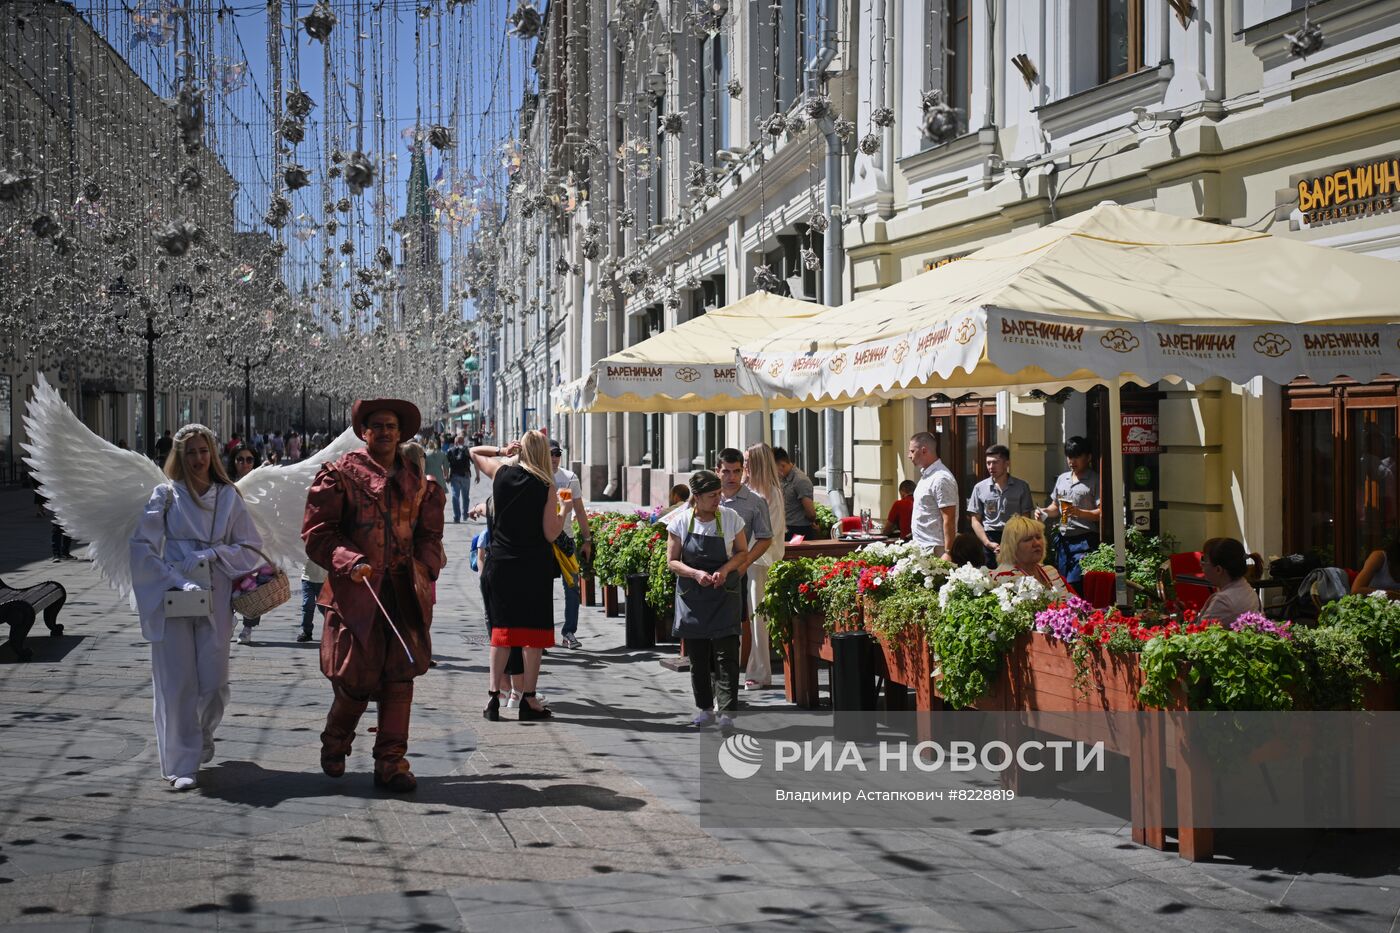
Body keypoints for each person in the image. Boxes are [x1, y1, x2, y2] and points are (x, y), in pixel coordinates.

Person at [302, 398, 446, 792]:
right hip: (358, 594)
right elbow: (319, 534)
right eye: (376, 425)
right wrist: (349, 561)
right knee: (355, 679)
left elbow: (430, 536)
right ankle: (336, 740)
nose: (384, 432)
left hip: (403, 595)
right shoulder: (339, 474)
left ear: (401, 434)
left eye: (391, 426)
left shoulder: (419, 482)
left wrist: (424, 566)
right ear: (363, 431)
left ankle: (391, 762)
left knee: (401, 677)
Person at [129, 423, 264, 790]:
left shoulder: (228, 496)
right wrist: (173, 577)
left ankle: (203, 731)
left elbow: (251, 547)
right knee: (178, 681)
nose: (198, 458)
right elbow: (141, 547)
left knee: (215, 682)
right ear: (180, 457)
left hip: (216, 597)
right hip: (175, 596)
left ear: (213, 453)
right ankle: (182, 763)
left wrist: (215, 552)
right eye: (191, 452)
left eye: (203, 451)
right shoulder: (166, 496)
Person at [471, 431, 563, 721]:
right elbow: (550, 533)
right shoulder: (545, 484)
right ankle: (529, 700)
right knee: (532, 636)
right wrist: (565, 509)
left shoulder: (501, 473)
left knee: (501, 634)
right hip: (533, 567)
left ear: (520, 449)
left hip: (501, 565)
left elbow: (474, 452)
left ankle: (492, 700)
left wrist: (501, 449)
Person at [667, 469, 749, 729]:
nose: (718, 500)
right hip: (693, 596)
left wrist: (724, 570)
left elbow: (742, 552)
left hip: (724, 594)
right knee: (699, 657)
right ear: (697, 497)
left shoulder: (731, 518)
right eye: (712, 496)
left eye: (719, 494)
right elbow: (672, 562)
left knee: (727, 655)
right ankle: (704, 708)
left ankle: (726, 712)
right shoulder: (680, 522)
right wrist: (695, 573)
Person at [717, 449, 774, 687]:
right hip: (705, 570)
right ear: (717, 471)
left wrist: (747, 561)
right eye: (726, 471)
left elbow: (765, 537)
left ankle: (728, 682)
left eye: (737, 471)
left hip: (735, 572)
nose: (731, 476)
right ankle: (714, 674)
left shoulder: (755, 502)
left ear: (743, 471)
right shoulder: (709, 497)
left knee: (733, 628)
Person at [743, 443, 786, 690]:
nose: (745, 464)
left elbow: (771, 533)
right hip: (749, 559)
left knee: (758, 616)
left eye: (748, 460)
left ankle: (760, 672)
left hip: (762, 560)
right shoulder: (750, 490)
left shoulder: (769, 492)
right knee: (753, 616)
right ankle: (756, 669)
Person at [1035, 436, 1102, 588]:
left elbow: (1102, 513)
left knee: (1075, 582)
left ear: (1088, 457)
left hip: (1085, 540)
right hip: (1064, 540)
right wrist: (1044, 512)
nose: (1072, 462)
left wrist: (1079, 512)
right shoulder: (1062, 479)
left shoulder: (1095, 480)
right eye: (1069, 457)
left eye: (1077, 457)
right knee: (1063, 583)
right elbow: (1055, 507)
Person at [550, 442, 591, 649]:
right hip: (545, 541)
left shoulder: (568, 478)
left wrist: (587, 539)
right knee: (543, 589)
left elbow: (579, 510)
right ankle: (544, 634)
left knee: (572, 587)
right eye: (550, 454)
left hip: (565, 539)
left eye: (557, 453)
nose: (554, 457)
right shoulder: (536, 477)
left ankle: (569, 632)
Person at [968, 444, 1035, 568]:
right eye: (988, 463)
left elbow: (1026, 519)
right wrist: (987, 542)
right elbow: (975, 520)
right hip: (990, 537)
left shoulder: (1021, 487)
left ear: (1006, 463)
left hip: (1015, 538)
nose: (991, 467)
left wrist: (1019, 542)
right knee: (991, 580)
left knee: (1016, 577)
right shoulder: (980, 488)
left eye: (995, 462)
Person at [228, 445, 262, 645]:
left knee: (251, 587)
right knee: (228, 586)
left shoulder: (260, 483)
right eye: (240, 459)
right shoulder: (225, 484)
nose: (245, 463)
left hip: (253, 543)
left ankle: (248, 627)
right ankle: (228, 619)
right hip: (230, 542)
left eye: (249, 459)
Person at [908, 431, 958, 557]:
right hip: (923, 546)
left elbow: (949, 518)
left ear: (924, 450)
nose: (909, 455)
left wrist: (948, 552)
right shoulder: (927, 476)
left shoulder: (941, 478)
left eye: (912, 451)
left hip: (936, 549)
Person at [992, 514, 1067, 594]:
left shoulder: (1050, 571)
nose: (1036, 543)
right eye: (1028, 539)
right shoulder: (1006, 577)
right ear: (1012, 547)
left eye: (1038, 537)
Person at [1197, 537, 1262, 623]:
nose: (1201, 564)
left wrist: (1180, 619)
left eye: (1204, 559)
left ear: (1218, 570)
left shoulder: (1223, 601)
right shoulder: (1245, 587)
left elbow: (1198, 633)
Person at [772, 447, 817, 540]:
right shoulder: (782, 478)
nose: (772, 472)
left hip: (798, 531)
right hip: (785, 527)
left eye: (773, 468)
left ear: (782, 465)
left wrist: (812, 521)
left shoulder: (800, 480)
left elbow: (811, 513)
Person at [445, 433, 477, 523]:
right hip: (466, 475)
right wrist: (477, 475)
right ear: (463, 441)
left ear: (455, 442)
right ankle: (465, 515)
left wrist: (446, 476)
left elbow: (446, 465)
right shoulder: (467, 450)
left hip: (455, 475)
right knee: (465, 496)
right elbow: (474, 462)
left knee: (455, 496)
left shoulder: (450, 451)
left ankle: (456, 517)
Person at [300, 557, 328, 642]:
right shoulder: (306, 544)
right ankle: (306, 632)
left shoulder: (329, 544)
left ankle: (332, 631)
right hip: (307, 579)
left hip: (325, 580)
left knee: (324, 607)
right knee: (308, 604)